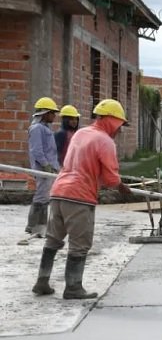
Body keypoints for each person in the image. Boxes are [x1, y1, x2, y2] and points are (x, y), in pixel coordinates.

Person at [31, 99, 131, 299]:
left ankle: (42, 282)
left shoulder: (81, 134)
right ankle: (73, 287)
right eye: (119, 125)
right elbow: (111, 178)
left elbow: (87, 166)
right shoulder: (105, 141)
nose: (120, 131)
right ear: (111, 121)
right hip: (79, 197)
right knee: (79, 243)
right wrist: (122, 187)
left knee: (53, 239)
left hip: (59, 192)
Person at [26, 97, 61, 237]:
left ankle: (41, 227)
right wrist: (46, 165)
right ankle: (33, 226)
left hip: (50, 168)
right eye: (52, 113)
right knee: (41, 196)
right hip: (43, 169)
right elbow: (36, 150)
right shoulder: (36, 129)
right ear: (45, 113)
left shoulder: (45, 128)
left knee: (46, 196)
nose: (54, 116)